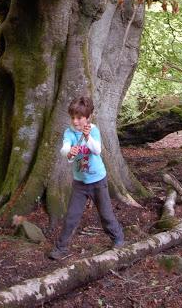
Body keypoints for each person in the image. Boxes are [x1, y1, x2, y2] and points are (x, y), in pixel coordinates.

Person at [49, 95, 124, 260]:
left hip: (98, 181)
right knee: (71, 216)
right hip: (80, 184)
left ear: (88, 117)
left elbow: (97, 150)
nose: (75, 121)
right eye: (73, 117)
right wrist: (69, 152)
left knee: (106, 214)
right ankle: (61, 248)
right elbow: (65, 150)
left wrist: (88, 136)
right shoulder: (69, 133)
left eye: (79, 118)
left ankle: (118, 238)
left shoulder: (94, 130)